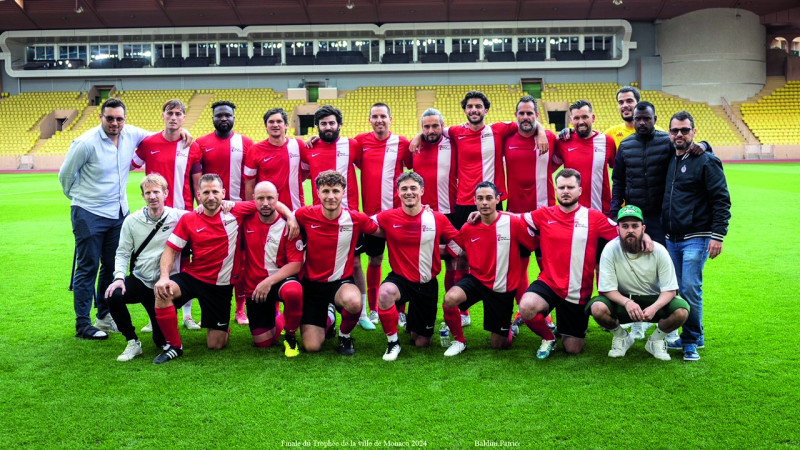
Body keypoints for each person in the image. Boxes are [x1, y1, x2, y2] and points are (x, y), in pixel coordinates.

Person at [59, 97, 190, 340]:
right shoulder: (85, 143)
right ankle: (83, 324)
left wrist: (182, 132)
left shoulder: (131, 134)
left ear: (125, 119)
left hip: (117, 213)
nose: (115, 123)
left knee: (111, 266)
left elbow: (163, 133)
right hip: (89, 212)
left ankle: (104, 316)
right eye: (110, 118)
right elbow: (65, 176)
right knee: (87, 267)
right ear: (101, 117)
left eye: (119, 118)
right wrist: (81, 200)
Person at [152, 174, 257, 364]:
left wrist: (290, 217)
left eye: (215, 192)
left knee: (216, 344)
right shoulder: (189, 219)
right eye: (206, 192)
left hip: (221, 286)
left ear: (223, 193)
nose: (211, 197)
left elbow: (268, 203)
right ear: (198, 195)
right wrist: (164, 277)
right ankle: (175, 347)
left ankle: (222, 328)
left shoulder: (236, 211)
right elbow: (171, 249)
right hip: (194, 277)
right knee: (163, 292)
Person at [517, 169, 620, 358]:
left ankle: (565, 329)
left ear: (580, 190)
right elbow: (514, 218)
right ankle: (548, 337)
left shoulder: (594, 217)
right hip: (549, 283)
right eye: (561, 187)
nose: (565, 191)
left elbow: (622, 232)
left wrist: (645, 237)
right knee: (526, 306)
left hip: (577, 291)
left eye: (570, 187)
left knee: (573, 349)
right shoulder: (543, 214)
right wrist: (488, 214)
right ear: (555, 190)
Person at [662, 111, 731, 361]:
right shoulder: (671, 156)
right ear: (670, 133)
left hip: (697, 237)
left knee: (691, 289)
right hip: (672, 238)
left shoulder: (706, 161)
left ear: (694, 132)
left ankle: (690, 341)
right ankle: (696, 335)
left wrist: (718, 235)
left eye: (685, 130)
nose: (679, 134)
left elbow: (721, 200)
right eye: (675, 130)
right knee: (681, 289)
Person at [440, 181, 537, 357]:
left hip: (502, 287)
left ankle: (508, 328)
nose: (484, 202)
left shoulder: (512, 223)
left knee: (498, 345)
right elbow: (451, 250)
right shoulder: (468, 227)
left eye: (489, 198)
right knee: (450, 299)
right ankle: (459, 341)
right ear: (475, 202)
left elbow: (532, 244)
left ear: (497, 200)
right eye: (480, 199)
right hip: (477, 281)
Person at [130, 99, 203, 330]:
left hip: (183, 215)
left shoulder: (192, 145)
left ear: (183, 117)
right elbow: (129, 163)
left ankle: (187, 315)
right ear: (163, 115)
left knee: (184, 264)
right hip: (155, 215)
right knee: (156, 263)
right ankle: (157, 313)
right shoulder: (148, 142)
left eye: (178, 114)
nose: (173, 117)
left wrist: (199, 210)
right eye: (170, 113)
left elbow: (197, 182)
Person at [372, 172, 461, 361]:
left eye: (413, 188)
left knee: (421, 342)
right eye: (404, 189)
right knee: (386, 292)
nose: (409, 192)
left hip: (427, 282)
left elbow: (459, 242)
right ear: (398, 192)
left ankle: (412, 322)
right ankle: (393, 343)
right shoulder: (387, 217)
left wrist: (440, 252)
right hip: (400, 280)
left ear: (422, 190)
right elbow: (362, 222)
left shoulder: (437, 218)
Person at [295, 170, 381, 356]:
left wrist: (419, 213)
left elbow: (382, 229)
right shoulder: (305, 214)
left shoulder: (355, 218)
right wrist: (289, 217)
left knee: (354, 301)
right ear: (317, 193)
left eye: (335, 191)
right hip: (311, 286)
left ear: (343, 192)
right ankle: (329, 317)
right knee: (312, 347)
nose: (331, 196)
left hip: (339, 283)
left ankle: (344, 335)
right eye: (325, 191)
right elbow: (283, 213)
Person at [586, 205, 689, 360]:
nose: (630, 230)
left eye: (635, 226)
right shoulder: (610, 249)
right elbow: (607, 289)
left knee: (681, 311)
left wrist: (654, 307)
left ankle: (656, 340)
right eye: (625, 226)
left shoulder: (659, 250)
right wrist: (627, 303)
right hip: (623, 300)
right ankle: (622, 337)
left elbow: (670, 290)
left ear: (643, 228)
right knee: (597, 308)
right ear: (618, 229)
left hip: (653, 299)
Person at [299, 105, 369, 330]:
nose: (328, 127)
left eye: (331, 123)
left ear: (339, 124)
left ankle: (363, 311)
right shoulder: (309, 148)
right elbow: (302, 174)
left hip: (349, 217)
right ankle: (320, 306)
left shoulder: (353, 145)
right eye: (323, 124)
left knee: (356, 262)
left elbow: (367, 167)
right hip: (318, 218)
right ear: (316, 127)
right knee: (313, 259)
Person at [104, 174, 186, 361]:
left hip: (164, 285)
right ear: (143, 196)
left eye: (156, 192)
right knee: (113, 294)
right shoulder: (132, 221)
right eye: (148, 192)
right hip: (141, 280)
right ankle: (132, 341)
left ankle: (162, 331)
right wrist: (118, 277)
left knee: (160, 340)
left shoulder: (178, 216)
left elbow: (203, 213)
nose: (152, 196)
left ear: (165, 193)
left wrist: (229, 204)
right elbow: (123, 252)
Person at [503, 96, 559, 337]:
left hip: (546, 214)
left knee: (547, 265)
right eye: (522, 113)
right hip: (516, 214)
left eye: (530, 113)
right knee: (519, 267)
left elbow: (557, 163)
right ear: (516, 115)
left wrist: (543, 131)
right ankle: (524, 311)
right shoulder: (506, 138)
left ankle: (545, 310)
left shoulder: (552, 139)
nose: (526, 117)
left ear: (537, 115)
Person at [354, 103, 412, 331]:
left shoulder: (403, 143)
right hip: (372, 217)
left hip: (399, 216)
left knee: (403, 264)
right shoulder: (361, 142)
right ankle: (375, 310)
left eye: (383, 116)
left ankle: (402, 312)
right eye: (375, 117)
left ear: (391, 118)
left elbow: (413, 167)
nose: (379, 120)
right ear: (369, 120)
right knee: (375, 261)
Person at [197, 101, 254, 325]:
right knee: (209, 261)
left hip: (238, 212)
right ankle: (207, 310)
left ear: (233, 117)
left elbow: (251, 179)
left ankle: (240, 310)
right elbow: (196, 178)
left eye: (227, 115)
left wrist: (247, 207)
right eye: (219, 115)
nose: (223, 118)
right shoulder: (201, 144)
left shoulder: (246, 143)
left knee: (240, 262)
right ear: (212, 118)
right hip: (210, 211)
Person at [411, 108, 464, 327]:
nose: (431, 130)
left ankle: (457, 309)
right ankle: (407, 310)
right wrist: (417, 137)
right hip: (420, 215)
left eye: (435, 126)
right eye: (426, 126)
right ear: (421, 128)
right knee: (415, 261)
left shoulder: (453, 142)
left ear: (443, 125)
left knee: (454, 260)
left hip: (450, 211)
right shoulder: (414, 146)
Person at [240, 181, 304, 357]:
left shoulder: (289, 225)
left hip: (280, 280)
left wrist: (268, 281)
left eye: (270, 198)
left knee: (294, 292)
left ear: (278, 199)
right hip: (255, 286)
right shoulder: (245, 220)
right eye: (261, 198)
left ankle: (290, 335)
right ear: (254, 200)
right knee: (263, 343)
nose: (266, 203)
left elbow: (296, 263)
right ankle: (281, 318)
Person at [552, 100, 616, 217]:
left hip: (601, 211)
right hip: (571, 212)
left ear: (593, 117)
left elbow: (618, 175)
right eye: (576, 118)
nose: (581, 122)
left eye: (585, 117)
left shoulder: (607, 142)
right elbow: (548, 169)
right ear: (571, 120)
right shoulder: (563, 142)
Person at [244, 107, 307, 210]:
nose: (275, 125)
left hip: (295, 208)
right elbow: (249, 184)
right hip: (267, 210)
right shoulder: (255, 150)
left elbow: (305, 173)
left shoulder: (298, 145)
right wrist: (251, 209)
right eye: (271, 122)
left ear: (286, 125)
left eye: (279, 121)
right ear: (266, 126)